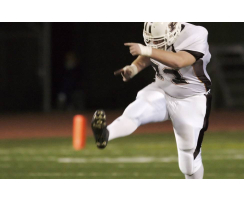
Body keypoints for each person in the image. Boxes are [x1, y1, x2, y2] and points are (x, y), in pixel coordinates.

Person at [91, 22, 212, 179]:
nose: (154, 44)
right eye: (152, 41)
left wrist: (147, 49)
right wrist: (134, 68)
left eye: (158, 41)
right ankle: (106, 134)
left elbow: (179, 61)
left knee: (188, 162)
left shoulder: (196, 34)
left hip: (191, 99)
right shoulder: (158, 39)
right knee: (136, 111)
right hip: (162, 89)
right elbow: (150, 55)